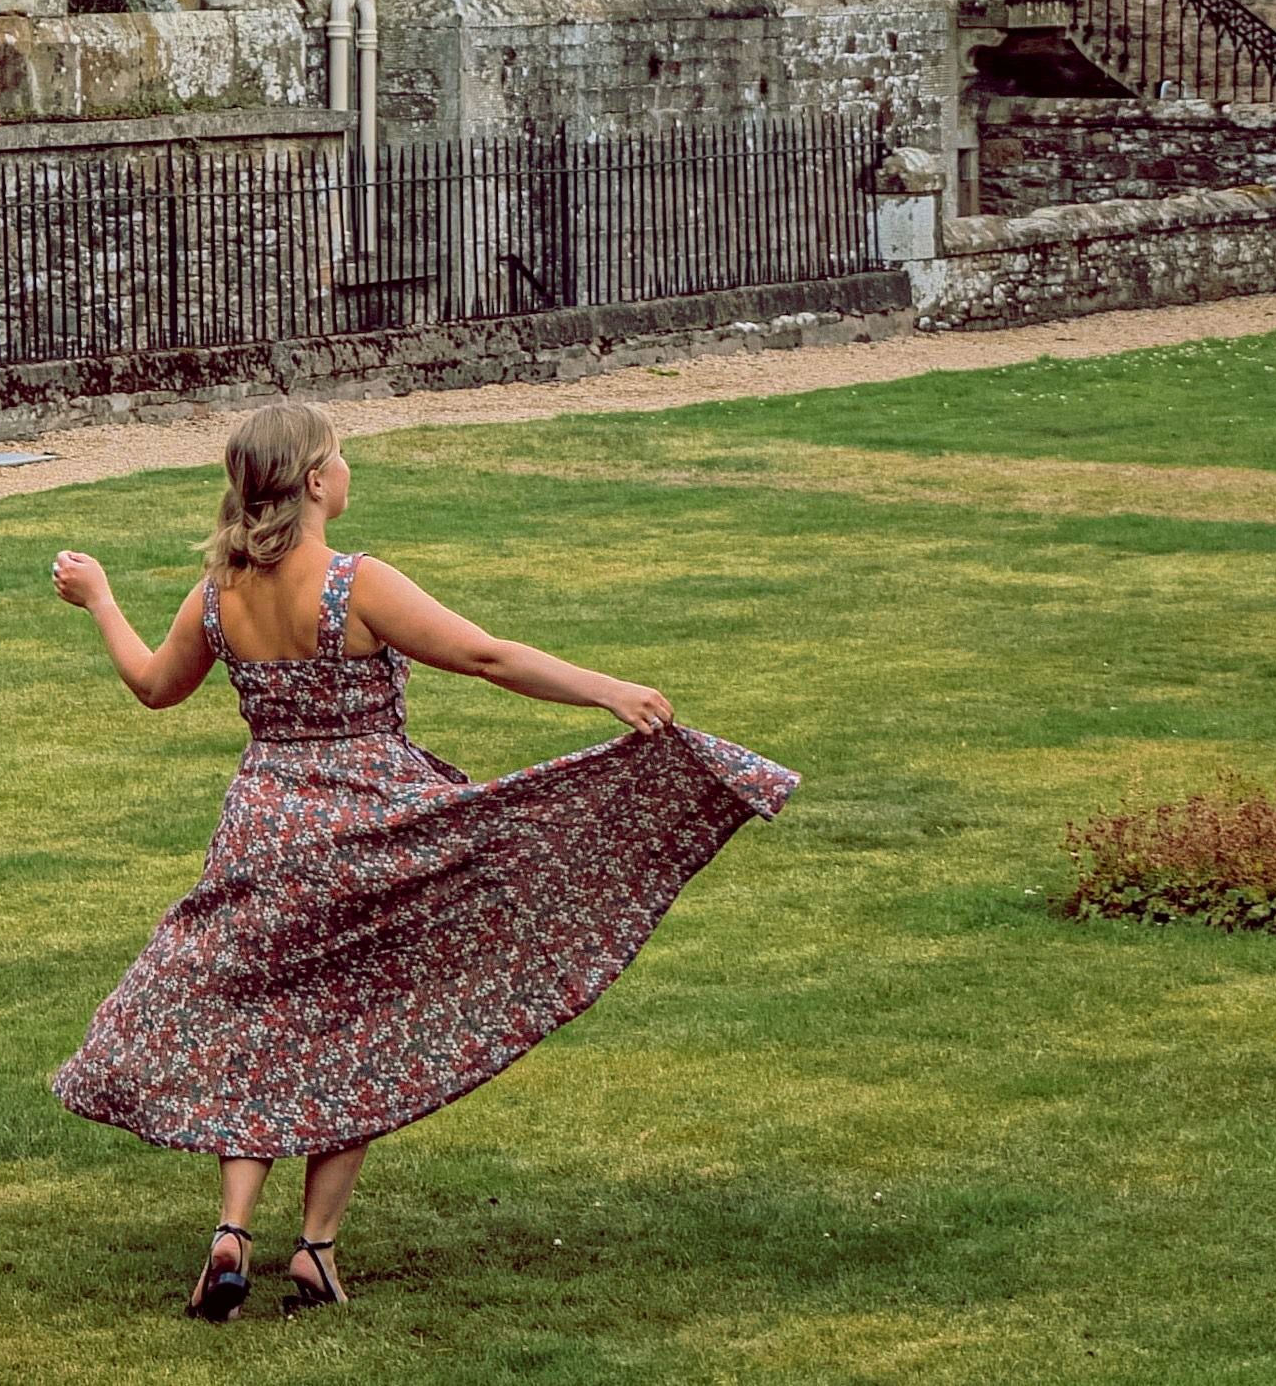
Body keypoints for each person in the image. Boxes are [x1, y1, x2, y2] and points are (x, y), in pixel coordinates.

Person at [50, 397, 794, 1317]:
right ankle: (315, 1250)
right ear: (317, 482)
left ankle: (234, 1231)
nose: (348, 469)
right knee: (363, 1022)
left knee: (263, 1019)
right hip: (368, 824)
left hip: (266, 826)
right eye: (341, 456)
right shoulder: (354, 581)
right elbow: (484, 657)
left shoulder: (218, 595)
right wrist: (607, 690)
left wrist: (102, 599)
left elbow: (155, 688)